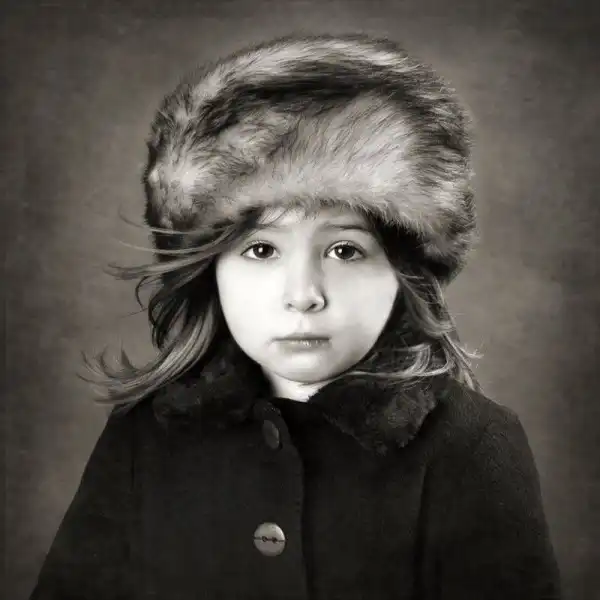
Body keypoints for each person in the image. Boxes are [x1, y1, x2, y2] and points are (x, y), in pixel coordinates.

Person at [29, 33, 562, 600]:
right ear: (210, 270)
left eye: (345, 250)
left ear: (402, 271)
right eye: (261, 250)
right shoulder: (144, 434)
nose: (303, 295)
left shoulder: (471, 444)